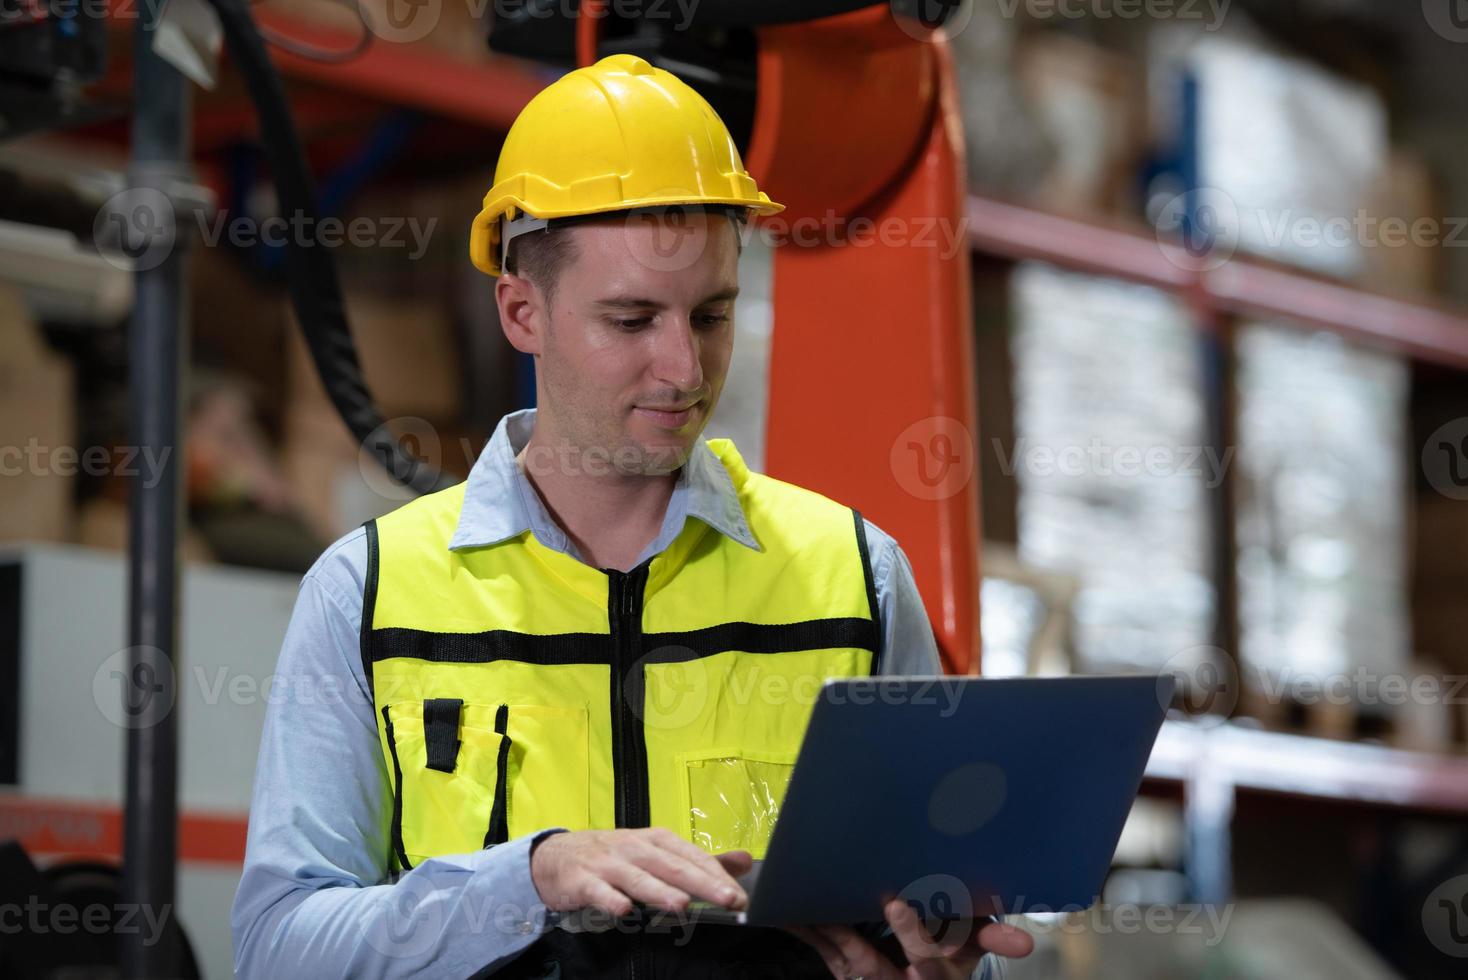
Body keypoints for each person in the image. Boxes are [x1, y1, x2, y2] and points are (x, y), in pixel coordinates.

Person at [231, 53, 1034, 979]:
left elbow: (939, 922)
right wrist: (530, 878)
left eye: (711, 316)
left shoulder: (854, 577)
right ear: (522, 311)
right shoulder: (368, 594)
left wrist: (945, 969)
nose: (685, 370)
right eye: (630, 320)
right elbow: (277, 948)